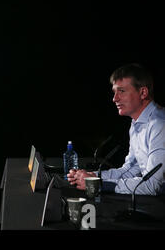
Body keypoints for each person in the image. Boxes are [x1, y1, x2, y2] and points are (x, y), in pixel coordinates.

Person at [67, 63, 165, 195]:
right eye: (114, 92)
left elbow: (153, 185)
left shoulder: (159, 125)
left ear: (143, 92)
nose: (115, 99)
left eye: (122, 91)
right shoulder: (137, 122)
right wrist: (91, 176)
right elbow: (130, 170)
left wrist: (98, 184)